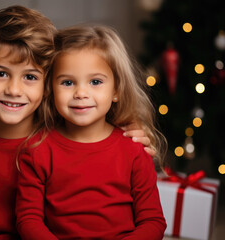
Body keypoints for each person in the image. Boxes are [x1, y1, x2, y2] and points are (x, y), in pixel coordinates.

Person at [0, 5, 156, 239]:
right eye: (0, 73)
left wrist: (134, 134)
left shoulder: (58, 139)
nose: (13, 89)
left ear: (47, 84)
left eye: (30, 77)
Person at [15, 25, 167, 240]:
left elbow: (153, 222)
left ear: (116, 90)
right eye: (67, 82)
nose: (81, 93)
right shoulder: (37, 150)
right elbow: (28, 220)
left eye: (95, 82)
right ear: (50, 88)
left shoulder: (133, 150)